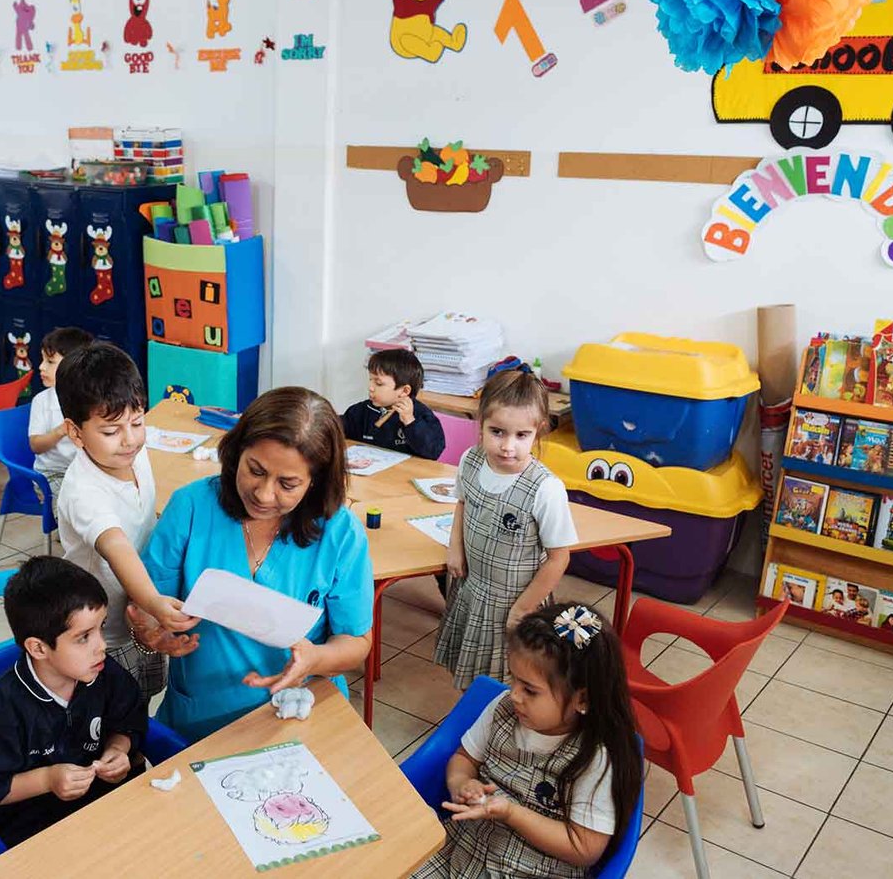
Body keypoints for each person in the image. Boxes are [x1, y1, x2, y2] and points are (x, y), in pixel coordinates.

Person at [132, 387, 374, 741]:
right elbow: (149, 605)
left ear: (315, 482)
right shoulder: (192, 506)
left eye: (287, 484)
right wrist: (150, 633)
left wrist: (315, 659)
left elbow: (356, 641)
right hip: (203, 714)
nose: (263, 494)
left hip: (299, 713)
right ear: (236, 452)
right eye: (255, 470)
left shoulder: (340, 533)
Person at [413, 603, 643, 879]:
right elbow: (464, 758)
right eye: (514, 679)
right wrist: (462, 783)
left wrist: (511, 814)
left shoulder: (596, 757)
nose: (514, 695)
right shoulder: (503, 709)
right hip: (462, 852)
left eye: (530, 690)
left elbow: (584, 847)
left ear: (582, 698)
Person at [0, 557, 146, 850]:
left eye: (101, 627)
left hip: (103, 808)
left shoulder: (103, 673)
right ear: (39, 648)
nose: (102, 645)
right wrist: (47, 779)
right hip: (33, 828)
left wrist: (118, 749)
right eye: (84, 637)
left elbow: (128, 720)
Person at [54, 342, 195, 706]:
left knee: (143, 696)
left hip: (138, 610)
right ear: (75, 432)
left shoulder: (132, 453)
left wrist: (149, 603)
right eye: (111, 431)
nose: (130, 439)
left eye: (137, 422)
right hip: (102, 630)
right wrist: (154, 601)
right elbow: (117, 546)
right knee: (112, 713)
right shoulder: (83, 491)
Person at [434, 369, 576, 691]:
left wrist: (524, 608)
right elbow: (463, 502)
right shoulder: (471, 459)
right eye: (497, 432)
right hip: (472, 588)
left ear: (539, 431)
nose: (508, 446)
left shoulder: (546, 488)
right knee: (472, 676)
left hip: (515, 601)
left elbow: (559, 558)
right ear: (480, 423)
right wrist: (455, 546)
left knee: (510, 683)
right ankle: (474, 717)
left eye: (521, 435)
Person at [341, 348, 445, 460]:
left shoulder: (420, 414)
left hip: (406, 469)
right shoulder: (361, 411)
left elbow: (433, 451)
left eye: (378, 383)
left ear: (404, 391)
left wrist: (410, 422)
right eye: (370, 380)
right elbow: (337, 429)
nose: (370, 387)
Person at [28, 326, 94, 490]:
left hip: (87, 470)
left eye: (50, 362)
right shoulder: (42, 401)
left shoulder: (92, 397)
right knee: (76, 501)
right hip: (53, 473)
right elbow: (35, 446)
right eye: (43, 360)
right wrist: (61, 430)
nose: (41, 367)